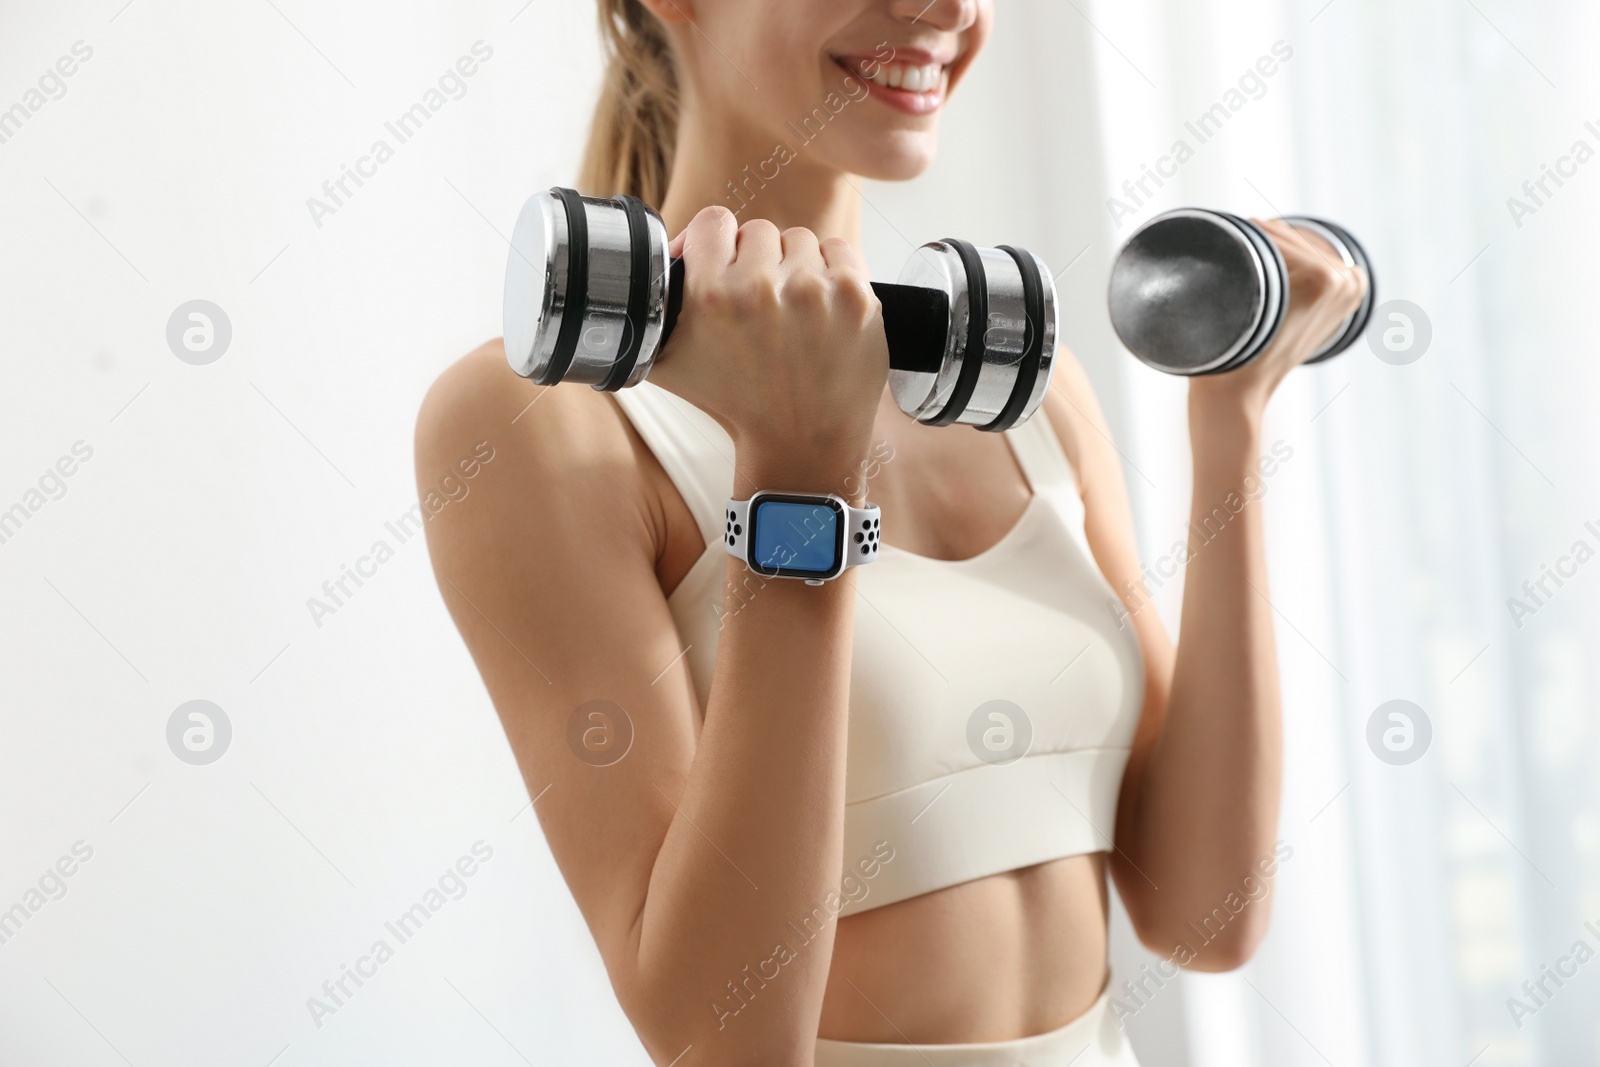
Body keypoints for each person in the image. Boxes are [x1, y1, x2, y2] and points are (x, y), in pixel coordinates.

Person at [415, 1, 1367, 1063]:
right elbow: (719, 1039)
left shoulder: (1029, 395)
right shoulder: (534, 426)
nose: (949, 9)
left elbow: (1205, 913)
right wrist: (795, 471)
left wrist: (1230, 416)